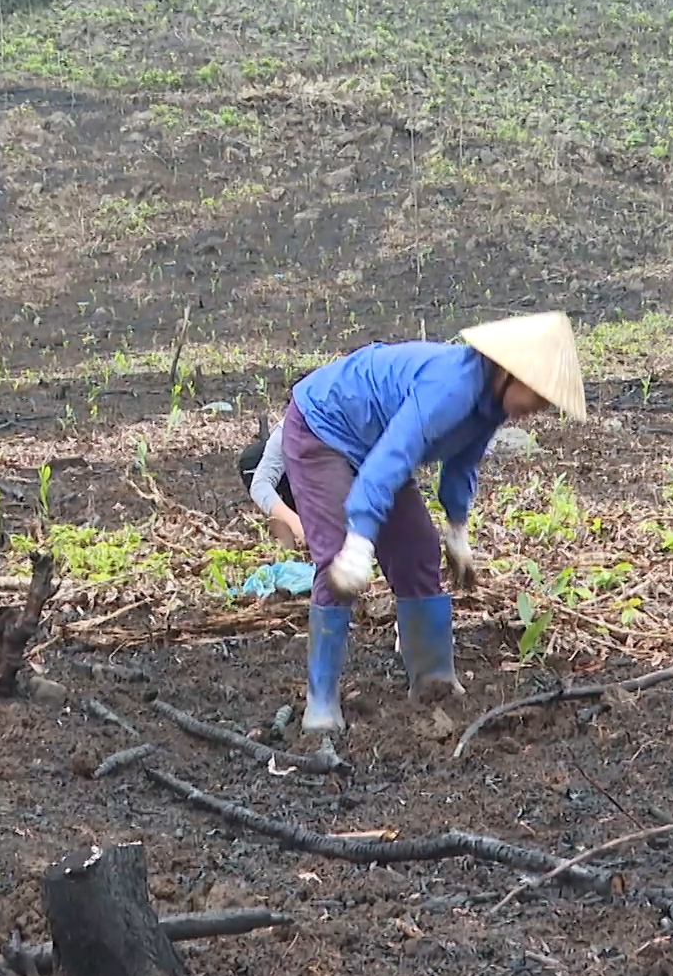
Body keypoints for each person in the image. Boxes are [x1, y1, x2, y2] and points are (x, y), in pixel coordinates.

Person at [282, 311, 588, 735]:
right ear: (507, 373)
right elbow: (394, 456)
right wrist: (359, 541)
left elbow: (462, 462)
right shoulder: (452, 387)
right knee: (337, 559)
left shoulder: (489, 404)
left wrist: (457, 528)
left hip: (374, 441)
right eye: (538, 395)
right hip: (324, 427)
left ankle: (433, 682)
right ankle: (321, 702)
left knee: (418, 551)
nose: (539, 409)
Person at [238, 415, 305, 549]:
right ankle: (287, 554)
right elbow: (261, 484)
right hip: (287, 472)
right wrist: (295, 522)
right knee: (253, 460)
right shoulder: (292, 426)